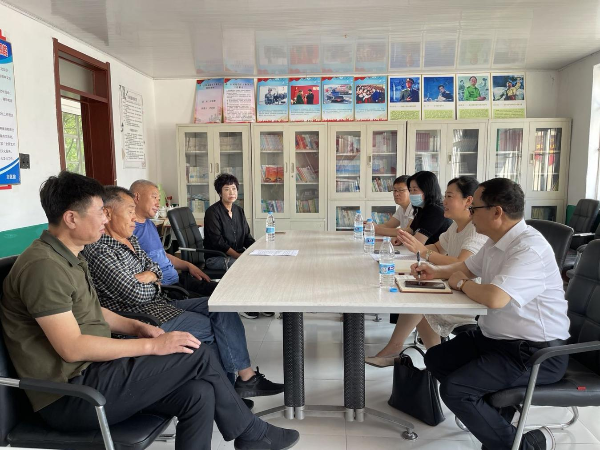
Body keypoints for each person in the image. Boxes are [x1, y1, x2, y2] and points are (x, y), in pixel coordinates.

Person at [0, 171, 299, 450]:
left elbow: (94, 312)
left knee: (199, 393)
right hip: (71, 394)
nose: (105, 219)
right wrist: (152, 345)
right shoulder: (44, 267)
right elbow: (72, 348)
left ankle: (250, 434)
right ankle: (252, 434)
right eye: (99, 212)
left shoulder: (70, 257)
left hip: (97, 372)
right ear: (71, 218)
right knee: (195, 353)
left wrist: (136, 327)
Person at [82, 185, 283, 400]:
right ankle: (229, 395)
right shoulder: (101, 249)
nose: (134, 217)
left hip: (161, 302)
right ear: (108, 213)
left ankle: (242, 381)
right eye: (130, 211)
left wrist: (150, 276)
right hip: (143, 317)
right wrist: (153, 279)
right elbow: (135, 294)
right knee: (216, 329)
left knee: (221, 307)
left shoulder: (130, 239)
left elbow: (156, 267)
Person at [415, 178, 569, 450]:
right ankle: (501, 424)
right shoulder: (496, 241)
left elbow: (495, 298)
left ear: (496, 212)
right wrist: (436, 272)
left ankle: (520, 446)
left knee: (456, 390)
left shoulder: (528, 248)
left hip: (535, 353)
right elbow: (467, 267)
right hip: (496, 339)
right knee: (437, 359)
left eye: (475, 208)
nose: (470, 212)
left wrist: (463, 284)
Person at [366, 176, 487, 367]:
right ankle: (433, 359)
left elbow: (461, 264)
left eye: (449, 196)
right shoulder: (456, 225)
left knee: (420, 299)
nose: (444, 201)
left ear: (468, 201)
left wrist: (423, 252)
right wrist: (416, 250)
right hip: (452, 285)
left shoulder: (475, 229)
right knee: (414, 292)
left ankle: (422, 357)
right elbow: (437, 247)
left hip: (468, 294)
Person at [130, 179, 217, 297]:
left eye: (158, 199)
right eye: (154, 197)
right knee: (212, 302)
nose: (158, 204)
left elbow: (162, 255)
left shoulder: (150, 224)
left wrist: (188, 265)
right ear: (137, 197)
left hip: (178, 280)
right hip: (166, 289)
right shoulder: (129, 230)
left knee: (221, 290)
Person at [203, 173, 272, 320]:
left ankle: (260, 303)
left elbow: (247, 237)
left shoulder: (239, 211)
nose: (231, 192)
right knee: (248, 266)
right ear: (220, 192)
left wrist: (258, 250)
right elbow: (218, 242)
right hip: (216, 258)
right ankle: (243, 306)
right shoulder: (212, 212)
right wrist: (240, 257)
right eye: (226, 189)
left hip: (238, 255)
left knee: (263, 263)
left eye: (234, 188)